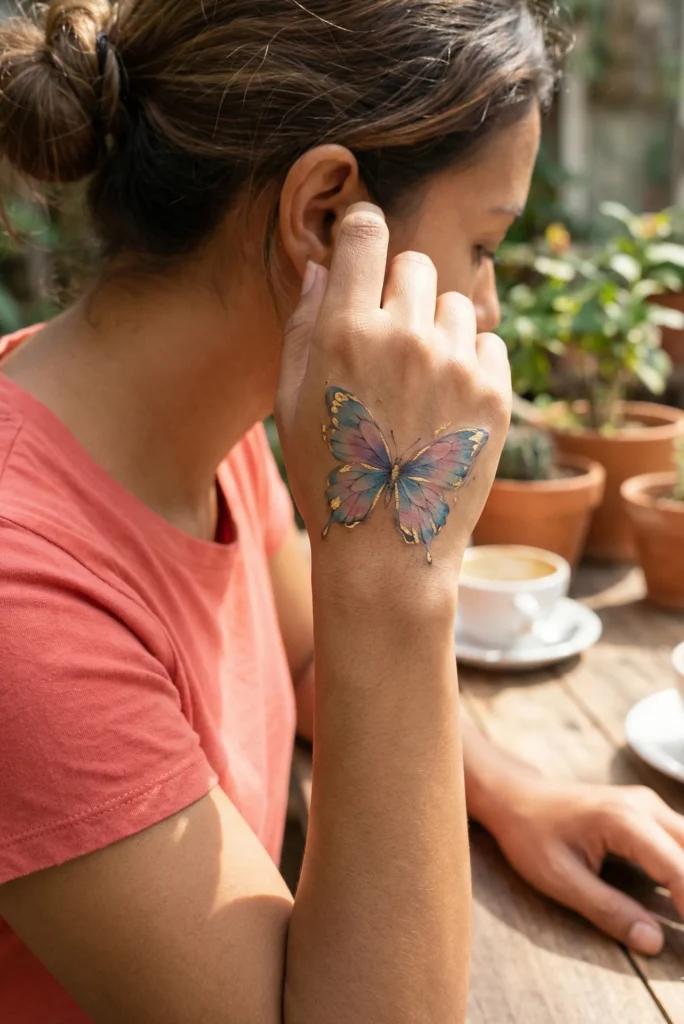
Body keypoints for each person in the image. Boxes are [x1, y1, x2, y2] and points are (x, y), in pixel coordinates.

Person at [0, 1, 681, 1021]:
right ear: (327, 217)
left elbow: (311, 660)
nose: (489, 307)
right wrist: (401, 570)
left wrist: (506, 792)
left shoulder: (202, 427)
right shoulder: (26, 598)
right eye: (487, 243)